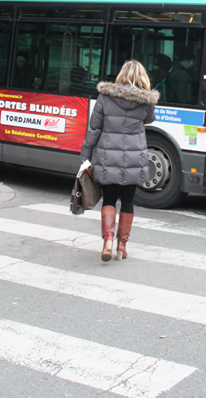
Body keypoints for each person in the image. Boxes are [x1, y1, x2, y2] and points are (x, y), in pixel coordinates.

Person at [80, 59, 159, 262]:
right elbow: (150, 119)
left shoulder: (105, 96)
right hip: (134, 158)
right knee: (128, 201)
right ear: (142, 77)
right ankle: (122, 246)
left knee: (109, 199)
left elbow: (94, 128)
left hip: (108, 158)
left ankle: (107, 239)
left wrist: (86, 157)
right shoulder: (146, 101)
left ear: (121, 75)